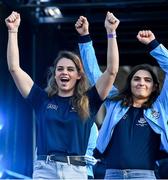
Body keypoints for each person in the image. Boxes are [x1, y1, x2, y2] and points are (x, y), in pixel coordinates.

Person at [5, 11, 119, 179]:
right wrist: (13, 31)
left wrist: (111, 32)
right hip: (45, 170)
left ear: (79, 75)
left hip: (76, 170)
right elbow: (14, 68)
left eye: (70, 69)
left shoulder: (89, 100)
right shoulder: (41, 99)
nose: (64, 72)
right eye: (60, 69)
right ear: (55, 74)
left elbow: (111, 71)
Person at [77, 16, 168, 179]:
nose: (141, 83)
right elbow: (94, 73)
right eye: (137, 79)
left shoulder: (161, 106)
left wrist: (154, 44)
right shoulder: (115, 102)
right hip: (113, 175)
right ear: (130, 83)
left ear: (154, 86)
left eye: (147, 80)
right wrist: (85, 37)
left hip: (145, 176)